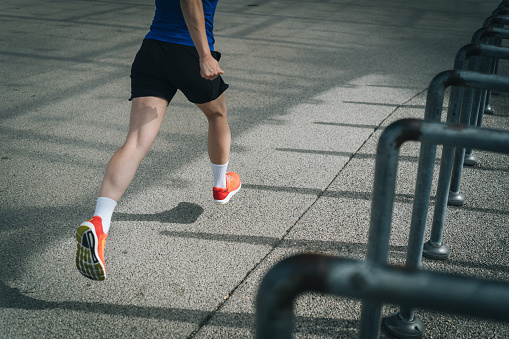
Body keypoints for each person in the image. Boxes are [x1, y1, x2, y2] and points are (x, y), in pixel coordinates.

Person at [75, 0, 241, 281]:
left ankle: (100, 221)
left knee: (136, 141)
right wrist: (204, 54)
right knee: (217, 115)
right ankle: (221, 185)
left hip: (152, 51)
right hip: (188, 52)